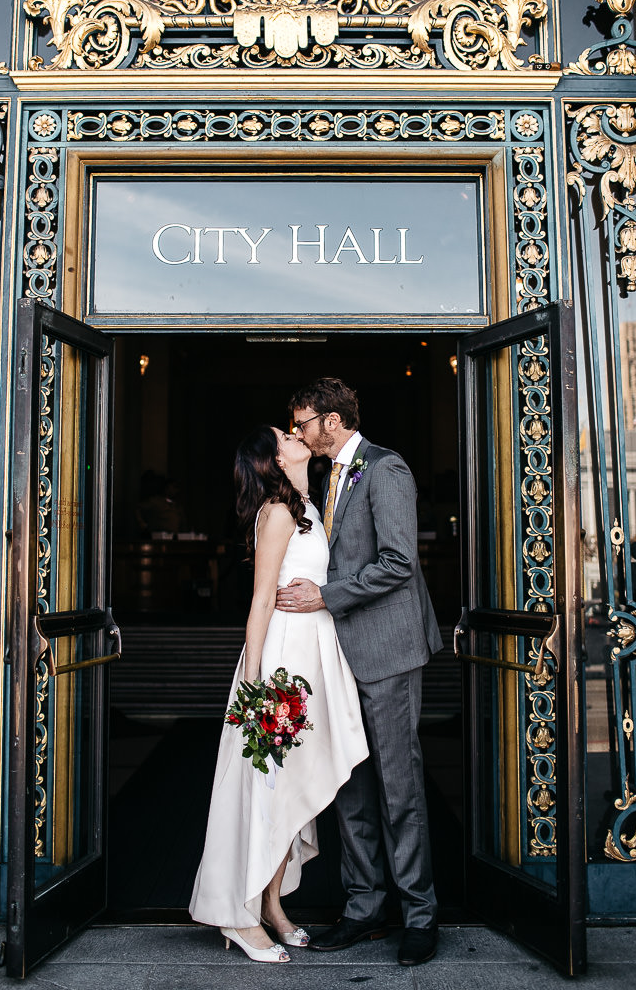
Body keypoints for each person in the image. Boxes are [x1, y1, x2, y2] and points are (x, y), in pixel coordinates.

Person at [276, 376, 443, 968]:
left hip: (388, 650)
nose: (298, 433)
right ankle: (364, 907)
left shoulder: (386, 468)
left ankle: (419, 915)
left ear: (331, 419)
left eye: (302, 423)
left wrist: (325, 596)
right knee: (348, 782)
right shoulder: (326, 477)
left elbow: (398, 563)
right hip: (338, 654)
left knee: (400, 787)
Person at [189, 424, 368, 963]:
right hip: (283, 663)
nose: (295, 435)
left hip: (313, 654)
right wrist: (255, 682)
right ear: (275, 460)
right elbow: (262, 599)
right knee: (267, 789)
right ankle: (241, 916)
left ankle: (273, 907)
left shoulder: (307, 506)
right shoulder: (277, 513)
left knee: (286, 790)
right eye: (284, 436)